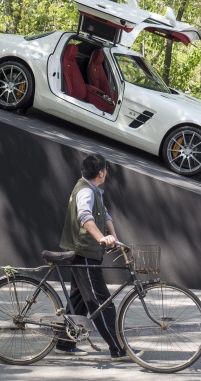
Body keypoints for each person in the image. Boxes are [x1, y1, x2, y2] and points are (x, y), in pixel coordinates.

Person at [55, 153, 133, 361]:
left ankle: (64, 341)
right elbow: (85, 217)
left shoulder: (93, 190)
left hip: (86, 251)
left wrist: (114, 237)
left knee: (78, 300)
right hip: (85, 252)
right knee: (101, 301)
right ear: (101, 173)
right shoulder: (85, 192)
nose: (106, 173)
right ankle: (118, 349)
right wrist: (101, 238)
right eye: (105, 170)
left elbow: (105, 214)